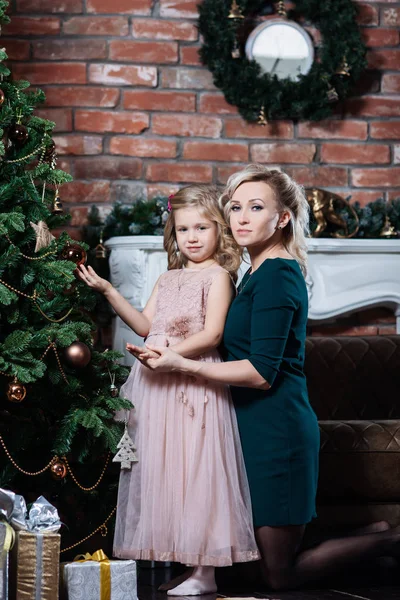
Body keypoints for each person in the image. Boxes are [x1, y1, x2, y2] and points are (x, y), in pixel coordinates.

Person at [132, 165, 400, 591]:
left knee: (278, 575)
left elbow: (260, 373)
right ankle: (372, 536)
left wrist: (181, 365)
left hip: (277, 433)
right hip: (247, 429)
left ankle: (390, 539)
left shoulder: (277, 274)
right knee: (250, 561)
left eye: (255, 207)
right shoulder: (253, 271)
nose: (240, 217)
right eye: (234, 207)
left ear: (282, 218)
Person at [77, 184, 259, 597]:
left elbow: (212, 335)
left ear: (219, 231)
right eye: (182, 230)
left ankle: (206, 571)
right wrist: (108, 291)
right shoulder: (169, 277)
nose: (192, 237)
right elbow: (146, 326)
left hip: (192, 383)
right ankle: (186, 561)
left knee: (198, 470)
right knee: (164, 469)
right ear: (172, 235)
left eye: (201, 228)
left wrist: (170, 352)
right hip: (155, 386)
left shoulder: (219, 277)